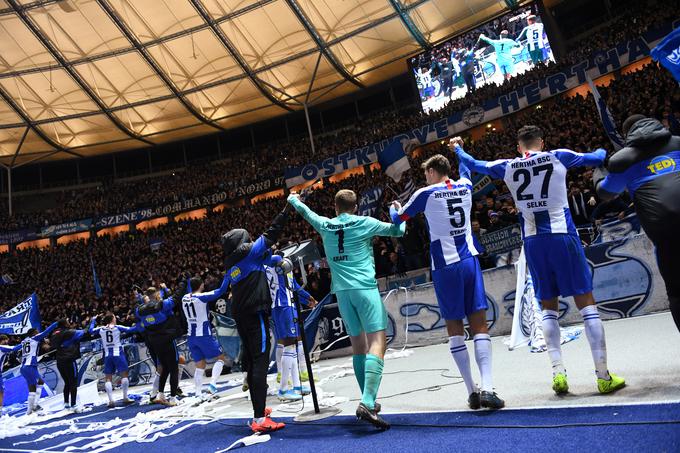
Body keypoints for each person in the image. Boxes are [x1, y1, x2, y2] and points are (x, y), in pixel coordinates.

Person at [453, 126, 626, 395]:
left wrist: (457, 149)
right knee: (586, 302)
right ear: (541, 142)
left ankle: (558, 374)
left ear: (518, 147)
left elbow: (473, 164)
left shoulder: (507, 165)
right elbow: (597, 157)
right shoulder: (558, 156)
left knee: (548, 307)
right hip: (562, 235)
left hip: (533, 242)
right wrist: (604, 148)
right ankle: (603, 376)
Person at [391, 153, 505, 410]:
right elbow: (466, 169)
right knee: (479, 323)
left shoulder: (426, 193)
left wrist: (394, 208)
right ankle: (488, 387)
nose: (425, 178)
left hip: (444, 265)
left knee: (454, 326)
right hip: (469, 260)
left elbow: (398, 220)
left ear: (432, 172)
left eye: (426, 173)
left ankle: (472, 391)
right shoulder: (465, 186)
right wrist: (459, 150)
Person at [288, 189, 405, 429]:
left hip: (341, 293)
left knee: (358, 347)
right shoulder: (365, 222)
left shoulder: (325, 224)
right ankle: (368, 400)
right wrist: (397, 212)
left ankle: (368, 402)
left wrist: (292, 198)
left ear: (335, 206)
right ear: (356, 206)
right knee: (377, 342)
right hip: (364, 289)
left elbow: (303, 210)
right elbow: (398, 231)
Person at [594, 115, 680, 333]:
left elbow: (605, 193)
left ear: (626, 135)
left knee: (678, 293)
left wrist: (598, 174)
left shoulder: (624, 161)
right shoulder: (678, 143)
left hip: (666, 235)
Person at [221, 204, 290, 433]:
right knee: (260, 362)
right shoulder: (248, 252)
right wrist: (288, 208)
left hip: (242, 316)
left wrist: (276, 258)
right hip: (255, 313)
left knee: (252, 363)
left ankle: (258, 410)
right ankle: (260, 419)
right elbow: (271, 233)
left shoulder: (233, 263)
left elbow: (265, 259)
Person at [265, 254, 317, 402]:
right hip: (281, 307)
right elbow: (271, 257)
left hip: (289, 305)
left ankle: (296, 386)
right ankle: (283, 390)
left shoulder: (285, 272)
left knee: (293, 346)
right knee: (289, 346)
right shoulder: (274, 263)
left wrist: (308, 299)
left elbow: (294, 288)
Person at [181, 275, 230, 399]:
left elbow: (190, 290)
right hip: (203, 334)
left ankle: (198, 393)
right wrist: (228, 275)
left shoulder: (184, 298)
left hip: (191, 336)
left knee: (200, 364)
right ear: (201, 285)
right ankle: (212, 385)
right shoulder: (201, 297)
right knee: (221, 358)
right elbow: (221, 291)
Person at [136, 284, 183, 406]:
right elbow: (176, 297)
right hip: (167, 339)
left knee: (165, 368)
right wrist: (183, 282)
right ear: (156, 295)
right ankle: (172, 398)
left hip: (154, 343)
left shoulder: (139, 310)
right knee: (174, 369)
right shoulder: (162, 305)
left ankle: (160, 395)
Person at [88, 313, 136, 408]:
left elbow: (90, 331)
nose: (116, 318)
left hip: (107, 355)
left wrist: (93, 320)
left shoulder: (101, 329)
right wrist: (140, 322)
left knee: (108, 377)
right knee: (124, 374)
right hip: (118, 353)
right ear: (112, 319)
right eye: (114, 317)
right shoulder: (117, 327)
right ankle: (125, 398)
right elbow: (131, 329)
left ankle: (111, 401)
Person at [51, 319, 89, 412]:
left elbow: (52, 345)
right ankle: (74, 405)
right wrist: (92, 321)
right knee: (73, 382)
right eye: (68, 321)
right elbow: (86, 331)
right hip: (69, 359)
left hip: (59, 360)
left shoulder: (54, 333)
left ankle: (66, 404)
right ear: (64, 324)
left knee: (67, 382)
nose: (69, 323)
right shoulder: (69, 332)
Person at [19, 322, 58, 415]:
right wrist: (56, 324)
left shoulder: (24, 341)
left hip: (23, 366)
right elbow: (45, 332)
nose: (38, 333)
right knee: (40, 382)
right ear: (33, 334)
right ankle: (35, 405)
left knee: (32, 387)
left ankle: (29, 410)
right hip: (30, 366)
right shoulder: (34, 338)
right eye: (37, 332)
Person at [0, 335, 21, 411]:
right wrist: (27, 342)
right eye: (6, 340)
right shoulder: (2, 347)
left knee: (1, 391)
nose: (7, 342)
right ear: (3, 340)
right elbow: (15, 348)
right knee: (1, 391)